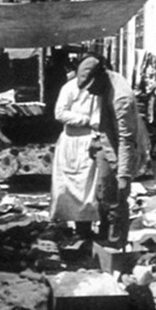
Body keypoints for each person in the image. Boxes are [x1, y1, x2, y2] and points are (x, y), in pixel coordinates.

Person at [76, 54, 149, 248]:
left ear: (101, 76)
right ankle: (104, 237)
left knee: (116, 198)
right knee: (103, 194)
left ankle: (116, 244)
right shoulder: (105, 83)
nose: (90, 92)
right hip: (108, 145)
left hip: (123, 149)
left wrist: (124, 174)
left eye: (91, 86)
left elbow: (127, 139)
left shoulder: (121, 98)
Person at [50, 71, 100, 238]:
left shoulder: (102, 89)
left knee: (90, 187)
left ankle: (87, 227)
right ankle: (73, 227)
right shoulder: (69, 88)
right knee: (69, 187)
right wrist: (86, 120)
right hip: (72, 142)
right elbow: (60, 113)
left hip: (92, 141)